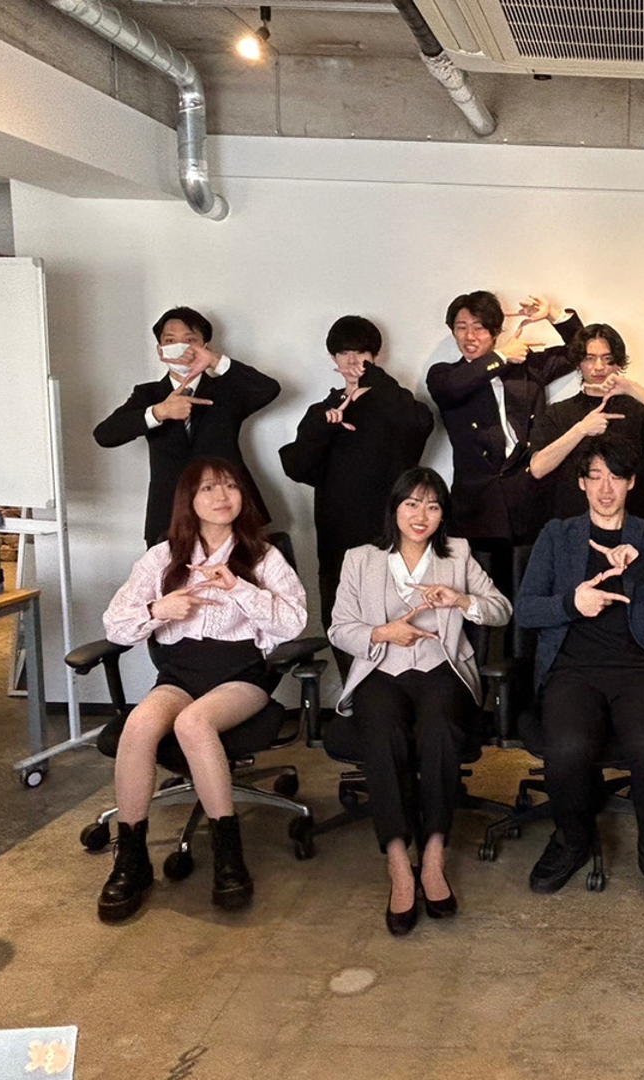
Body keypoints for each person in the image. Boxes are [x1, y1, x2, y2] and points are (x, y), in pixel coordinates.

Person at [96, 458, 307, 921]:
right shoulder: (163, 557)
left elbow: (294, 622)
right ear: (189, 500)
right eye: (208, 488)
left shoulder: (262, 555)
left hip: (240, 675)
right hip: (180, 675)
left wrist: (240, 589)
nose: (222, 496)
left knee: (193, 723)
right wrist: (158, 609)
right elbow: (115, 623)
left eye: (230, 486)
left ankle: (229, 855)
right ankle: (131, 858)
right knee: (139, 725)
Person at [515, 436, 644, 901]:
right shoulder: (558, 536)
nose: (605, 489)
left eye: (616, 477)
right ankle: (571, 841)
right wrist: (572, 603)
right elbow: (525, 609)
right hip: (572, 670)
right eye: (595, 477)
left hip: (638, 670)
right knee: (567, 747)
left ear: (631, 482)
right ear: (581, 483)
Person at [327, 468, 512, 935]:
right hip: (380, 670)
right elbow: (339, 629)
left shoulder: (458, 555)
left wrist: (461, 600)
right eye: (411, 503)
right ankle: (397, 862)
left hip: (440, 668)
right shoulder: (360, 559)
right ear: (394, 509)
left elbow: (501, 610)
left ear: (442, 515)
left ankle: (432, 858)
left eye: (432, 506)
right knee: (382, 733)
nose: (421, 515)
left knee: (440, 731)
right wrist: (382, 633)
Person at [279, 315, 434, 642]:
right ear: (333, 358)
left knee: (399, 615)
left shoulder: (395, 404)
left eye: (361, 353)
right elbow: (296, 468)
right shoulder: (321, 411)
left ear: (375, 356)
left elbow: (421, 425)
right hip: (337, 532)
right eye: (344, 353)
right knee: (340, 617)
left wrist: (376, 380)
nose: (352, 361)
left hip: (391, 530)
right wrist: (325, 427)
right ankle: (348, 676)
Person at [424, 291, 581, 593]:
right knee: (480, 596)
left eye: (479, 327)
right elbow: (454, 388)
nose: (469, 336)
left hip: (529, 495)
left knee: (532, 590)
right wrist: (500, 357)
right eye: (461, 327)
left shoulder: (527, 367)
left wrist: (552, 315)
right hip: (477, 504)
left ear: (496, 331)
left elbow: (581, 350)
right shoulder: (445, 375)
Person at [95, 307, 280, 547]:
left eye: (189, 340)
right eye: (170, 341)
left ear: (205, 345)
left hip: (230, 508)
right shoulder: (148, 394)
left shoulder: (227, 389)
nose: (179, 346)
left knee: (243, 571)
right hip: (169, 513)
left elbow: (269, 389)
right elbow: (105, 435)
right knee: (170, 572)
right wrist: (159, 412)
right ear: (160, 350)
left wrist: (215, 361)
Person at [528, 322, 644, 522]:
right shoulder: (559, 412)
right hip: (575, 526)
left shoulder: (635, 408)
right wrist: (581, 430)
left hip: (632, 523)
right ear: (578, 363)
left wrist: (632, 388)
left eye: (607, 359)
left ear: (618, 363)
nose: (599, 367)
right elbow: (538, 468)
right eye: (590, 358)